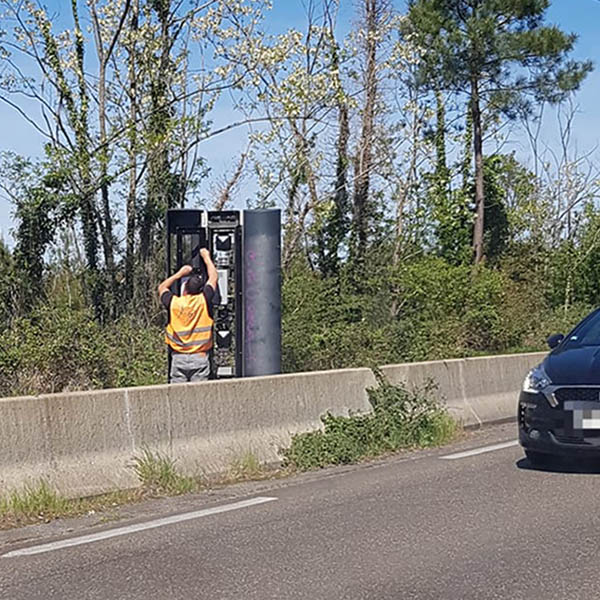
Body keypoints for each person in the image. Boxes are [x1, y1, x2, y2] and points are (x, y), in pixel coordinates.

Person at [158, 248, 218, 383]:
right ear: (200, 290)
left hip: (178, 358)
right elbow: (214, 277)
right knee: (199, 398)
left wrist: (179, 274)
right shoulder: (203, 300)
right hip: (200, 358)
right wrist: (206, 257)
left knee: (178, 398)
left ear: (184, 289)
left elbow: (162, 287)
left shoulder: (174, 303)